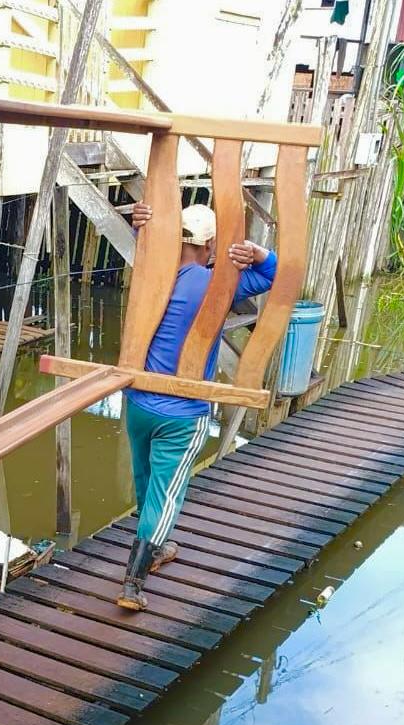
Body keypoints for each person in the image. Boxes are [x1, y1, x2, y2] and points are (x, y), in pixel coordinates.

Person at [118, 203, 277, 610]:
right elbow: (274, 275)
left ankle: (155, 546)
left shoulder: (154, 270)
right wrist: (256, 252)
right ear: (209, 246)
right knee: (165, 494)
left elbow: (146, 240)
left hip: (138, 402)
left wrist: (142, 226)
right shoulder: (217, 285)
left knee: (146, 478)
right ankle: (133, 583)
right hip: (182, 413)